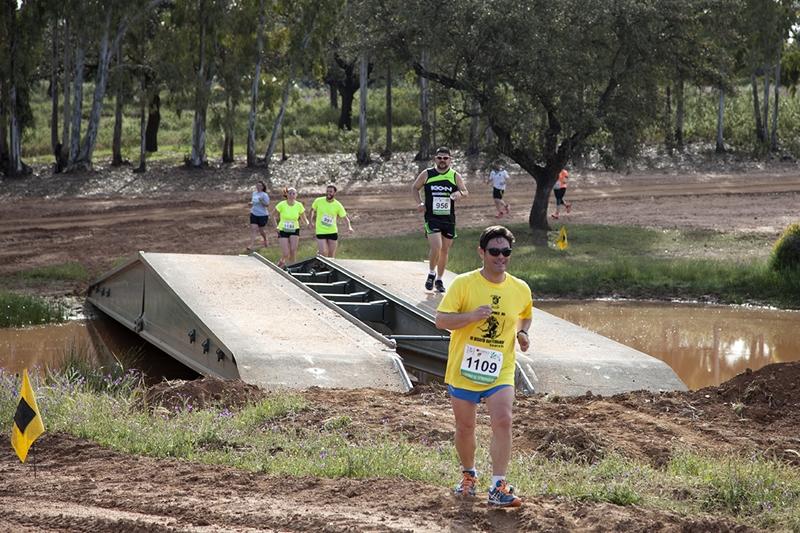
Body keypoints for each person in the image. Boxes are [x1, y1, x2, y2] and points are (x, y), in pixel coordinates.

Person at [435, 225, 532, 508]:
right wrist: (471, 316)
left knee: (503, 420)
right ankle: (469, 475)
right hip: (465, 368)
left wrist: (523, 334)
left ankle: (498, 485)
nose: (500, 257)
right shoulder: (464, 284)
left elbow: (525, 315)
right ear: (481, 252)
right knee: (466, 427)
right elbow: (441, 320)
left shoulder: (520, 288)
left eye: (506, 252)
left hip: (500, 369)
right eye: (494, 251)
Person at [412, 146, 468, 293]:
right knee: (436, 246)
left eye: (445, 158)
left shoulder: (455, 175)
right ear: (435, 159)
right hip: (432, 217)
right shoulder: (427, 174)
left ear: (450, 160)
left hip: (448, 218)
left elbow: (465, 191)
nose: (442, 161)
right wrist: (420, 203)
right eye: (439, 158)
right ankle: (431, 273)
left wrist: (459, 194)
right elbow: (414, 188)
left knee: (444, 250)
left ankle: (440, 280)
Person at [310, 184, 354, 258]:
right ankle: (320, 259)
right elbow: (312, 210)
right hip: (321, 230)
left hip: (332, 231)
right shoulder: (318, 201)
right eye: (327, 191)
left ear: (334, 193)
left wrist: (349, 227)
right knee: (323, 252)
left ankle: (329, 268)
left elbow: (344, 217)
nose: (328, 193)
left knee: (331, 255)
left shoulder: (338, 205)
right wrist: (310, 222)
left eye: (330, 192)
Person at [273, 187, 309, 268]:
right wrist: (276, 227)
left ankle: (292, 267)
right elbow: (272, 216)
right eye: (290, 193)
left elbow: (304, 218)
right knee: (286, 253)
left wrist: (307, 223)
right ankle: (281, 262)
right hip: (282, 229)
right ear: (286, 194)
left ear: (296, 195)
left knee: (293, 250)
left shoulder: (299, 205)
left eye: (293, 193)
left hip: (294, 229)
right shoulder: (281, 204)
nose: (292, 195)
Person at [248, 180, 270, 251]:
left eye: (260, 185)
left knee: (261, 231)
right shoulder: (254, 193)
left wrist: (261, 201)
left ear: (263, 187)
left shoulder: (264, 195)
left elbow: (267, 205)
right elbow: (253, 202)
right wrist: (251, 204)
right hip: (254, 213)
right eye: (257, 185)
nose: (258, 187)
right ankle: (251, 245)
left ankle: (265, 239)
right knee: (253, 229)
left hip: (263, 215)